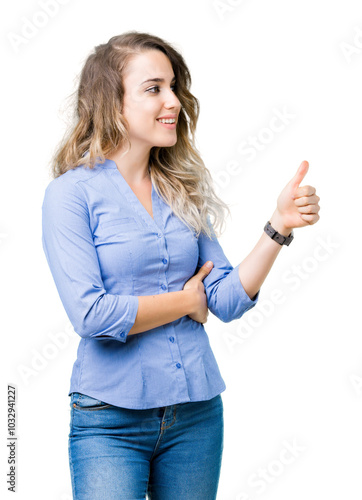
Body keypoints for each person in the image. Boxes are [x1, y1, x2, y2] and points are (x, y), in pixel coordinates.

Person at [41, 31, 320, 500]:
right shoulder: (70, 195)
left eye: (173, 86)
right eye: (154, 89)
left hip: (195, 415)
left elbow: (227, 301)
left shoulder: (180, 190)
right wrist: (185, 301)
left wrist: (278, 225)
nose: (173, 101)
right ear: (113, 102)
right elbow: (92, 315)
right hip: (109, 419)